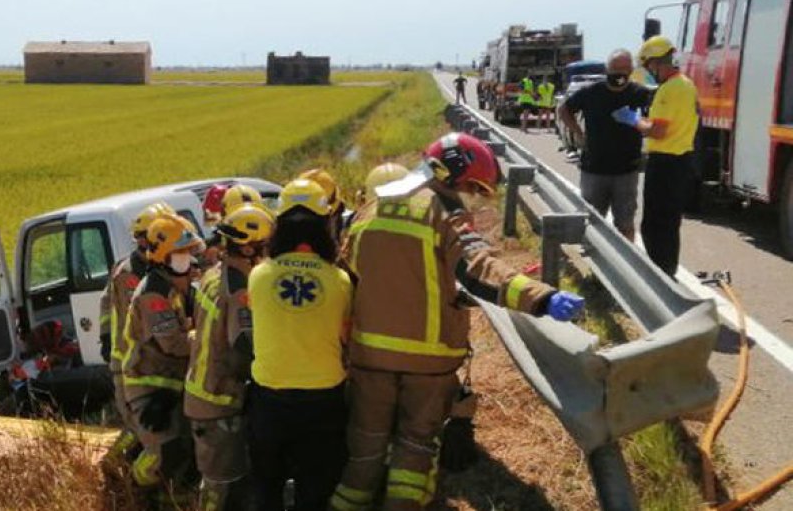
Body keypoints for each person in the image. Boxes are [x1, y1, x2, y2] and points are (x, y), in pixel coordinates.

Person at [331, 133, 585, 511]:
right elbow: (478, 269)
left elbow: (347, 276)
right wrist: (542, 296)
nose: (469, 196)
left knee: (365, 446)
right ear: (451, 173)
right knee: (415, 447)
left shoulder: (368, 210)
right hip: (428, 361)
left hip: (368, 357)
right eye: (470, 186)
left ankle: (346, 504)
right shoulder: (444, 212)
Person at [248, 179, 355, 511]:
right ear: (325, 225)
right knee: (315, 489)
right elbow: (345, 336)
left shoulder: (259, 276)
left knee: (268, 487)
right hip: (322, 400)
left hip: (269, 398)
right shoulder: (339, 281)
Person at [185, 203, 274, 511]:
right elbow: (243, 347)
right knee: (220, 487)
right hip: (219, 401)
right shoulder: (240, 291)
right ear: (250, 249)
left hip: (203, 393)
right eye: (265, 247)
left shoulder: (211, 275)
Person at [122, 213, 205, 492]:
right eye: (180, 253)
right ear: (163, 257)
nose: (189, 259)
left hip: (173, 381)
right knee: (164, 455)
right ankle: (129, 486)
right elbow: (174, 344)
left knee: (186, 452)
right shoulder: (153, 294)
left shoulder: (181, 288)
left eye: (189, 252)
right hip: (147, 382)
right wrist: (208, 338)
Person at [612, 36, 700, 276]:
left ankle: (660, 275)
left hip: (665, 163)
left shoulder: (668, 90)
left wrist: (634, 120)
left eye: (650, 66)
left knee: (654, 226)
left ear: (656, 62)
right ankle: (668, 271)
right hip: (682, 160)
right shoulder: (687, 84)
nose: (650, 72)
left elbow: (658, 131)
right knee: (669, 223)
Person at [100, 202, 173, 462]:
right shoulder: (131, 275)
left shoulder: (141, 269)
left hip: (138, 362)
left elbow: (106, 305)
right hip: (130, 364)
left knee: (146, 429)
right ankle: (112, 470)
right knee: (139, 429)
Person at [558, 49, 652, 240]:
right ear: (607, 69)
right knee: (591, 221)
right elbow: (564, 109)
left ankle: (625, 265)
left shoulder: (640, 93)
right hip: (594, 168)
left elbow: (652, 123)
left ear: (632, 70)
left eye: (626, 69)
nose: (621, 74)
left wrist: (636, 120)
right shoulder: (591, 92)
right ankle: (593, 264)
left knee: (625, 223)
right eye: (617, 68)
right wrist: (578, 133)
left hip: (627, 170)